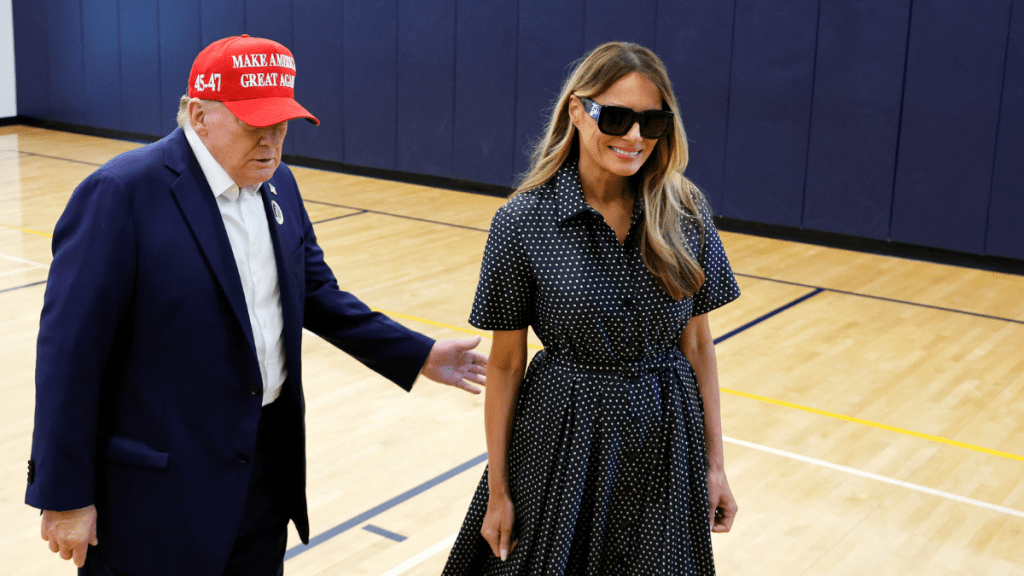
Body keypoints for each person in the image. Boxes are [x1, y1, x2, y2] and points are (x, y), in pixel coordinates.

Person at [26, 34, 486, 576]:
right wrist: (65, 494)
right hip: (156, 494)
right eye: (254, 124)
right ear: (199, 116)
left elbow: (316, 294)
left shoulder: (280, 186)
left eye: (282, 124)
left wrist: (419, 354)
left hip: (262, 477)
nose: (271, 142)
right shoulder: (122, 194)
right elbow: (69, 355)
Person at [442, 41, 741, 575]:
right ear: (577, 110)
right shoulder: (522, 222)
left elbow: (698, 345)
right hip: (562, 440)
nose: (634, 137)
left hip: (665, 441)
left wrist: (715, 467)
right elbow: (507, 364)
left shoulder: (686, 210)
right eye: (618, 117)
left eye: (652, 123)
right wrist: (499, 489)